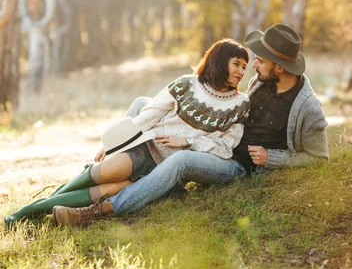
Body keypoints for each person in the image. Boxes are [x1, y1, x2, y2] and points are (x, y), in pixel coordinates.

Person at [51, 24, 329, 227]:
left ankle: (101, 210)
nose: (253, 66)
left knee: (182, 159)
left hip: (235, 163)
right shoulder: (262, 82)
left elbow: (319, 158)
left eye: (261, 61)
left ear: (280, 68)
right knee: (141, 104)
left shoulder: (307, 108)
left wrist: (273, 158)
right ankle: (113, 161)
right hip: (216, 143)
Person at [4, 38, 250, 227]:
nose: (241, 71)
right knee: (109, 170)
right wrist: (114, 143)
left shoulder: (240, 103)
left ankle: (60, 212)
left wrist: (187, 141)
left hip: (164, 170)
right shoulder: (187, 83)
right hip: (147, 149)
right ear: (219, 61)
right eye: (236, 64)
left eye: (244, 66)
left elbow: (226, 147)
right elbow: (149, 113)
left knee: (111, 189)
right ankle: (27, 213)